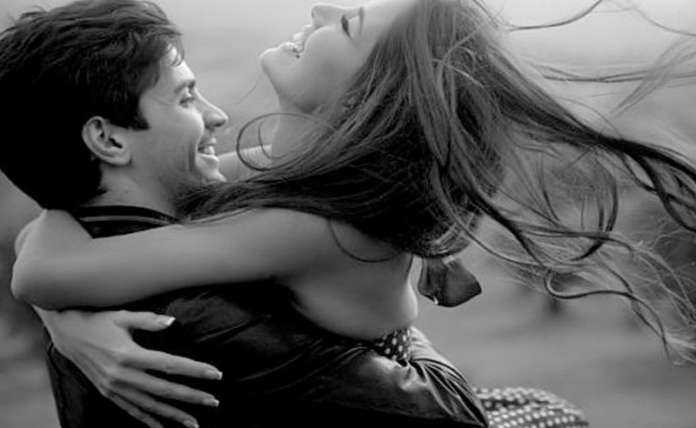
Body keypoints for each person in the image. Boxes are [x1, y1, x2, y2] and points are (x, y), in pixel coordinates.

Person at [0, 1, 489, 428]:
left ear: (364, 94)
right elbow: (61, 227)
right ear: (105, 139)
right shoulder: (308, 173)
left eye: (347, 25)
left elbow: (42, 274)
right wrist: (65, 321)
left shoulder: (307, 227)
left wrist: (68, 322)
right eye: (185, 96)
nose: (321, 8)